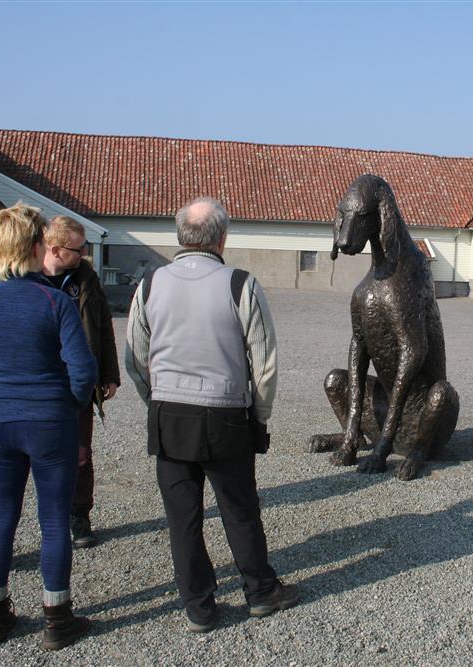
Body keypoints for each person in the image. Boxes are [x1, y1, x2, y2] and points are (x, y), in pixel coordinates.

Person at [125, 196, 298, 633]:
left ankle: (199, 606)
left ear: (180, 235)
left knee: (182, 517)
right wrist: (259, 416)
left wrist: (155, 399)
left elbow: (134, 356)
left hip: (170, 412)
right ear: (221, 237)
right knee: (239, 508)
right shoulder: (240, 284)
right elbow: (265, 361)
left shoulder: (149, 284)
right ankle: (260, 591)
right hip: (225, 414)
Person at [0, 202, 95, 649]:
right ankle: (57, 618)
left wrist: (0, 397)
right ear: (38, 247)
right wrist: (64, 405)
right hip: (50, 421)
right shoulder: (54, 301)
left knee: (0, 516)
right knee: (54, 519)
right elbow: (83, 370)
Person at [41, 215, 121, 548]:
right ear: (55, 249)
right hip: (41, 386)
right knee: (21, 462)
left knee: (81, 456)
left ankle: (79, 515)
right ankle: (0, 528)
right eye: (78, 248)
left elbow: (102, 327)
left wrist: (109, 374)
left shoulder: (86, 278)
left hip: (79, 386)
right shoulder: (27, 281)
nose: (85, 253)